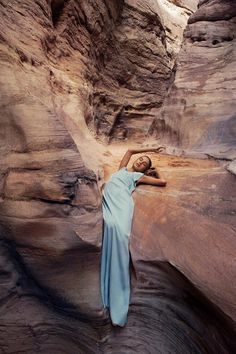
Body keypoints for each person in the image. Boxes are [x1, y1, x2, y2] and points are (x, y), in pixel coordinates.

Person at [100, 146, 167, 327]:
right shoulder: (122, 169)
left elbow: (163, 182)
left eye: (144, 163)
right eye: (141, 159)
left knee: (120, 237)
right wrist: (152, 149)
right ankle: (109, 292)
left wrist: (156, 170)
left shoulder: (137, 177)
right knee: (110, 231)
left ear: (145, 170)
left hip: (122, 206)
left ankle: (119, 300)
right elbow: (129, 151)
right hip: (109, 204)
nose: (140, 161)